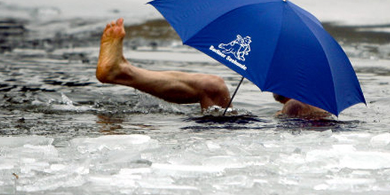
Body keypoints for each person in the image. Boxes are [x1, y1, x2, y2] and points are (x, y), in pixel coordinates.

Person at [96, 18, 331, 119]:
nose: (273, 69)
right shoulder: (298, 105)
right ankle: (121, 71)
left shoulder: (299, 104)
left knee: (213, 86)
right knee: (212, 86)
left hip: (239, 141)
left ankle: (122, 71)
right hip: (245, 132)